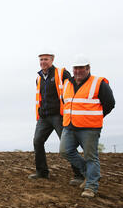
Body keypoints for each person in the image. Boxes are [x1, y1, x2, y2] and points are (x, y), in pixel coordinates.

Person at [60, 55, 115, 198]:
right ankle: (90, 173)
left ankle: (91, 186)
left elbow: (109, 103)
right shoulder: (67, 83)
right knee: (65, 151)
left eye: (81, 68)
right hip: (69, 126)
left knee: (91, 156)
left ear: (88, 68)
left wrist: (94, 117)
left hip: (90, 128)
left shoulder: (98, 83)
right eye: (75, 68)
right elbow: (65, 102)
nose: (78, 71)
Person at [29, 50, 84, 185]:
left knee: (67, 145)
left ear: (52, 60)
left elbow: (73, 88)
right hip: (44, 117)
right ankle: (42, 172)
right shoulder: (39, 78)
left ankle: (79, 174)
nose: (43, 62)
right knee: (37, 141)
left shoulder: (61, 73)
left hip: (59, 116)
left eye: (46, 59)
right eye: (41, 60)